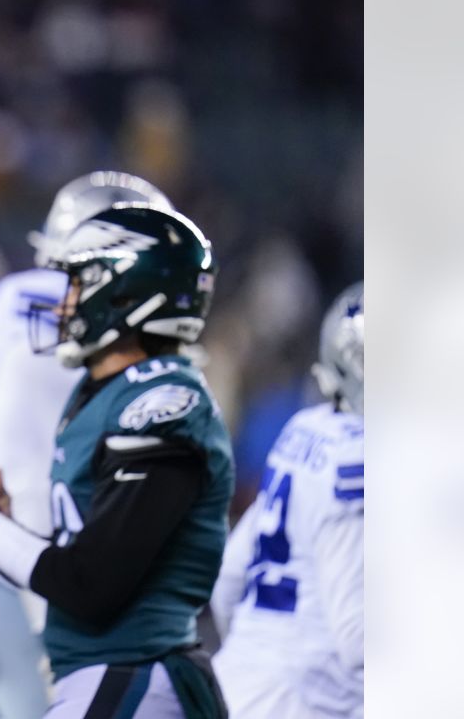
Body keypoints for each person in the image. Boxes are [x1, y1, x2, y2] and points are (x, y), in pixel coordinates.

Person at [0, 204, 233, 718]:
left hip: (134, 672)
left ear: (125, 294)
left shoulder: (163, 402)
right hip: (106, 672)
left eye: (78, 284)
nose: (64, 304)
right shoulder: (102, 395)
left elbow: (91, 585)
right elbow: (83, 561)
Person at [209, 283, 364, 718]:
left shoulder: (307, 428)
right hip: (305, 703)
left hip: (232, 686)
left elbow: (229, 578)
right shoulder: (364, 458)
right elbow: (358, 638)